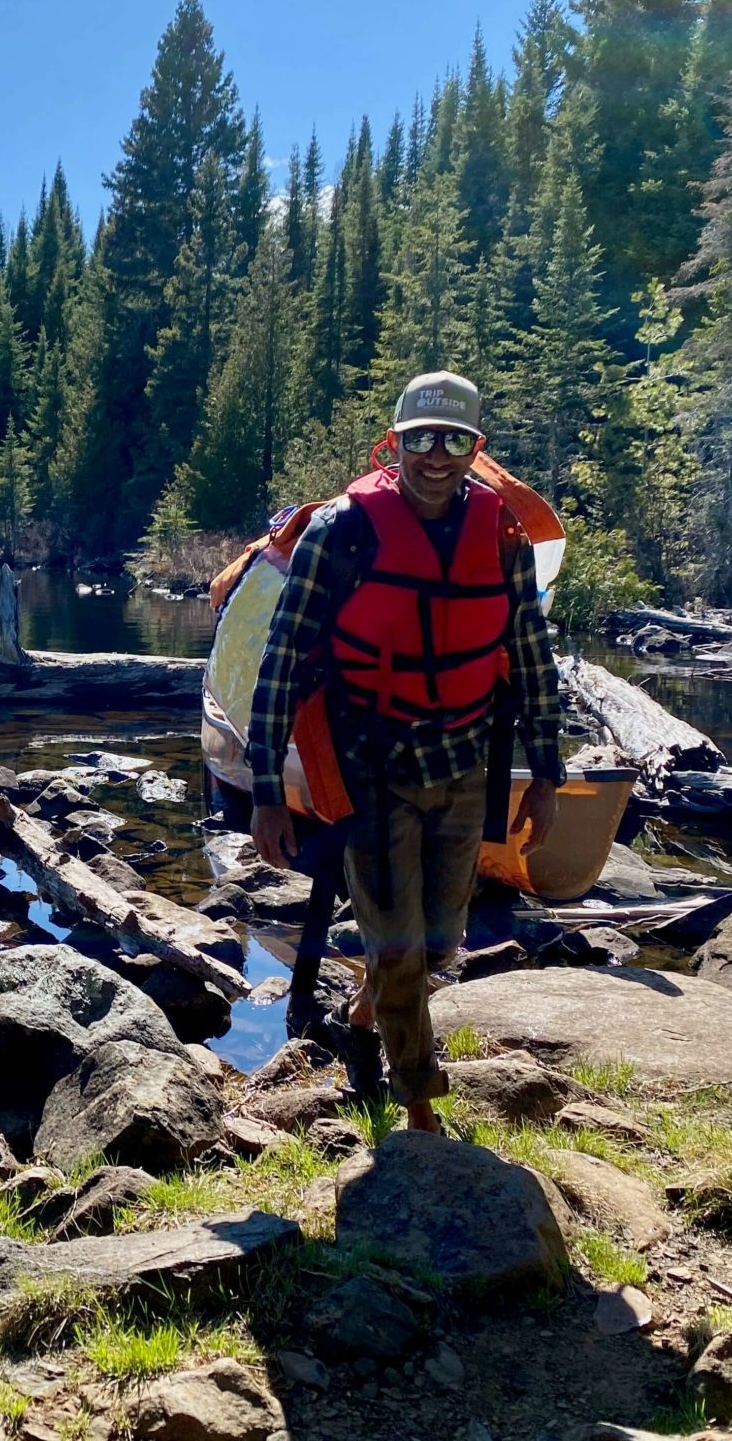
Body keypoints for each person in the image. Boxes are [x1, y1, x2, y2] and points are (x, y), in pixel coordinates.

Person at [246, 370, 565, 1135]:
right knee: (396, 936)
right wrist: (266, 790)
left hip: (462, 762)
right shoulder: (343, 532)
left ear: (474, 448)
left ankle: (369, 1008)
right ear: (393, 445)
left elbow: (531, 657)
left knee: (442, 938)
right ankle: (418, 1101)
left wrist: (547, 775)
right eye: (420, 438)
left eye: (453, 440)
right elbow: (283, 661)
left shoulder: (500, 535)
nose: (436, 455)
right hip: (371, 765)